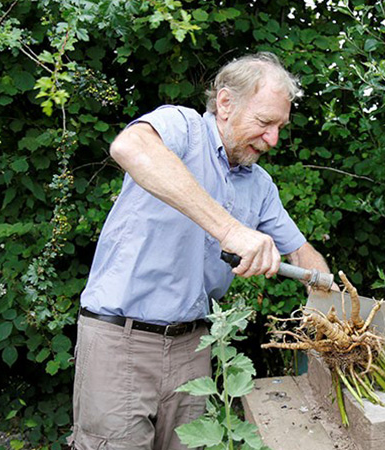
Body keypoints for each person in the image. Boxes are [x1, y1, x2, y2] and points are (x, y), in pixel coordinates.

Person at [69, 52, 333, 450]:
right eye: (264, 123)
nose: (273, 139)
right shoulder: (181, 128)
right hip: (119, 342)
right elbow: (129, 146)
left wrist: (334, 317)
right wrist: (231, 230)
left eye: (280, 126)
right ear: (225, 104)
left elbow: (302, 254)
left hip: (193, 350)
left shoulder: (259, 186)